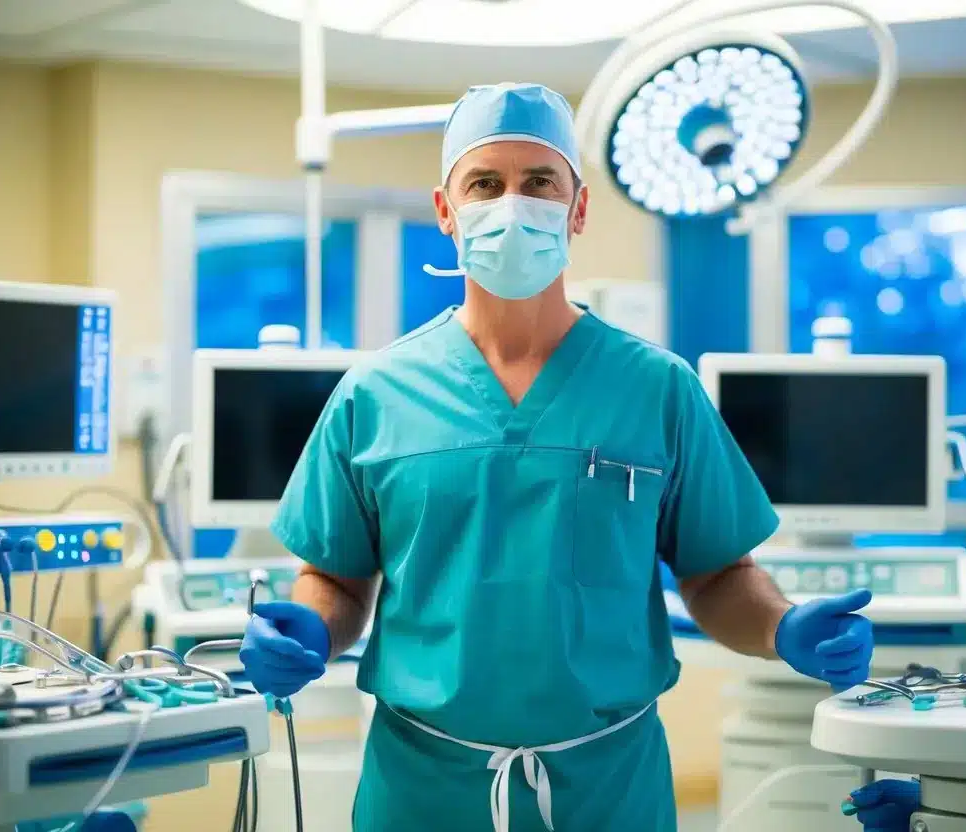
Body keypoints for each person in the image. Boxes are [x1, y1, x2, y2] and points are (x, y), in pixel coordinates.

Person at [240, 81, 876, 832]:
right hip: (421, 787)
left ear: (576, 209)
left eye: (539, 182)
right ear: (445, 211)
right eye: (485, 183)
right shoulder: (374, 394)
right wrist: (310, 629)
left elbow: (715, 573)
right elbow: (336, 580)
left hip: (608, 785)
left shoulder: (655, 388)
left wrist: (781, 627)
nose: (512, 204)